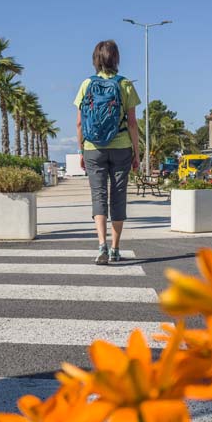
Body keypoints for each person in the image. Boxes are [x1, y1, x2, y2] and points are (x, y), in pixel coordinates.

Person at [74, 40, 141, 265]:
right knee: (118, 196)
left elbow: (79, 124)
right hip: (121, 146)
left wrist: (81, 150)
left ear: (96, 59)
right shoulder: (125, 85)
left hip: (94, 148)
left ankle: (101, 244)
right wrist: (137, 153)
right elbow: (132, 123)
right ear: (116, 58)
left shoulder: (86, 84)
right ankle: (115, 248)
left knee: (99, 196)